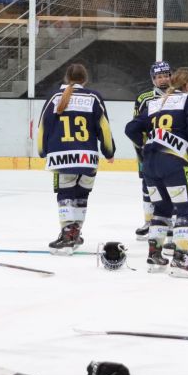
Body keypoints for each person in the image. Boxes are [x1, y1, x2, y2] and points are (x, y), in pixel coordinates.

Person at [124, 67, 188, 277]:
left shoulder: (153, 103)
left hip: (150, 165)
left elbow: (130, 128)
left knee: (161, 209)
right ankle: (180, 259)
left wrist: (146, 145)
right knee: (187, 209)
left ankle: (155, 255)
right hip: (175, 163)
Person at [37, 64, 116, 255]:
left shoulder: (55, 97)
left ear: (66, 78)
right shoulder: (93, 97)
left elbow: (42, 127)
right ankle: (75, 233)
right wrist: (109, 151)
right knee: (81, 196)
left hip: (61, 158)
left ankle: (67, 237)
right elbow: (104, 128)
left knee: (65, 196)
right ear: (85, 79)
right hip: (87, 158)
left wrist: (42, 151)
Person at [132, 61, 172, 240]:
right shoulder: (144, 98)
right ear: (153, 79)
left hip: (174, 151)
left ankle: (170, 220)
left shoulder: (180, 95)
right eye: (159, 76)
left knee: (174, 186)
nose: (163, 79)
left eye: (166, 75)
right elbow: (135, 126)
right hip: (151, 151)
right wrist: (141, 150)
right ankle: (149, 221)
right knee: (148, 187)